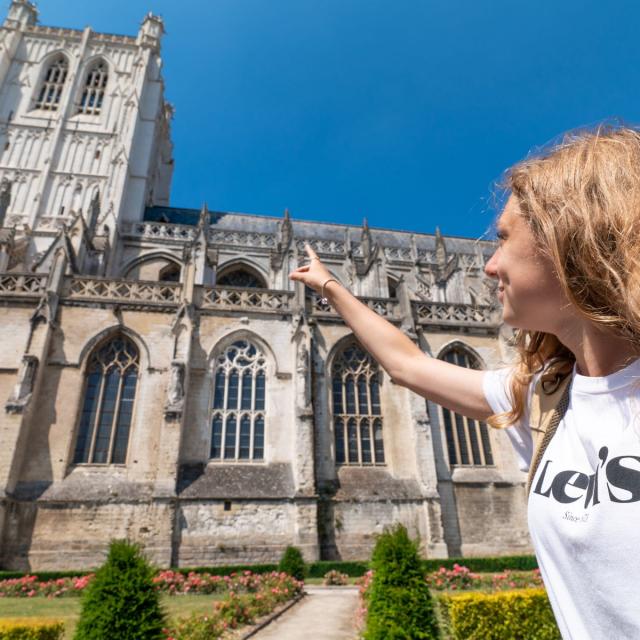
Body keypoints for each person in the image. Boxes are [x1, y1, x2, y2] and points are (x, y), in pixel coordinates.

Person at [289, 125, 640, 640]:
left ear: (571, 242)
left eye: (502, 240)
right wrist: (332, 289)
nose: (489, 265)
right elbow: (407, 365)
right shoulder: (543, 396)